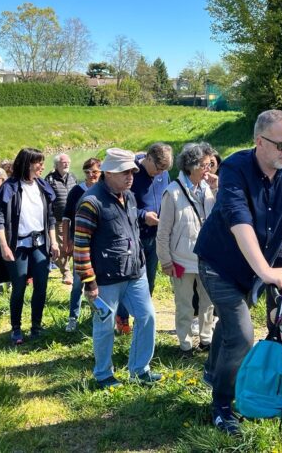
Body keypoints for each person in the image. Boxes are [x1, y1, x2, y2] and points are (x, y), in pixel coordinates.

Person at [194, 109, 282, 434]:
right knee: (242, 336)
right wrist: (267, 270)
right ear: (259, 142)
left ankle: (213, 372)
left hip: (256, 265)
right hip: (220, 264)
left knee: (230, 326)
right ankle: (222, 406)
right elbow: (239, 220)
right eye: (280, 144)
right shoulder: (236, 168)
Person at [73, 148, 161, 388]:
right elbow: (80, 246)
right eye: (124, 172)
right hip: (105, 277)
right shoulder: (91, 202)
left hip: (135, 272)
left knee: (147, 317)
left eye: (132, 171)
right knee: (105, 326)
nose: (130, 176)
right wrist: (89, 282)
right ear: (108, 172)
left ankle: (139, 370)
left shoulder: (129, 196)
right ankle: (103, 375)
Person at [0, 148, 59, 345]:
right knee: (19, 286)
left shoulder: (42, 186)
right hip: (17, 245)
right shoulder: (10, 187)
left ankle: (36, 327)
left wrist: (53, 241)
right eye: (39, 163)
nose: (42, 166)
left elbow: (50, 217)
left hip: (40, 243)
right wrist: (4, 246)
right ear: (27, 163)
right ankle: (16, 328)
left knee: (41, 285)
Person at [157, 142, 216, 356]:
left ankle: (206, 339)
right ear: (191, 166)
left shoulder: (208, 189)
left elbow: (219, 215)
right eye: (204, 165)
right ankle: (185, 344)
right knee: (184, 305)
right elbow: (163, 232)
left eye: (209, 164)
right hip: (181, 259)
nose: (208, 169)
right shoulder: (172, 192)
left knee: (208, 303)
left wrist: (217, 188)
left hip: (207, 258)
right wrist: (165, 260)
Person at [113, 143, 172, 335]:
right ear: (148, 158)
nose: (159, 173)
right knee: (129, 279)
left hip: (155, 235)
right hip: (133, 236)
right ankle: (122, 318)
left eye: (163, 171)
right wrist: (143, 215)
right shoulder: (132, 174)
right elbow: (121, 205)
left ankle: (142, 317)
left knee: (150, 280)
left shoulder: (163, 174)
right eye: (157, 169)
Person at [62, 157, 101, 332]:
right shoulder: (76, 191)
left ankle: (97, 316)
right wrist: (67, 241)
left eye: (94, 172)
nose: (91, 175)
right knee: (78, 283)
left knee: (98, 283)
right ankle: (73, 317)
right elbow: (66, 217)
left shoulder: (105, 189)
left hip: (99, 243)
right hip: (79, 242)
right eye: (87, 172)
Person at [44, 153, 77, 285]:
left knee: (73, 243)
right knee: (62, 245)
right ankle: (66, 273)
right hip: (58, 218)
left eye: (68, 161)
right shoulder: (50, 179)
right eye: (63, 162)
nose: (66, 164)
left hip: (74, 217)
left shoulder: (73, 177)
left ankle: (73, 269)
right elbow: (46, 200)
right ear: (57, 164)